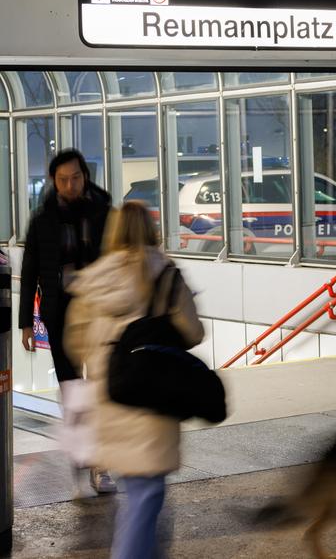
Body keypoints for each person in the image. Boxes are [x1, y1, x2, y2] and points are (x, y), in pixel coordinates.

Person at [64, 201, 204, 559]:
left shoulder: (93, 279)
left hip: (110, 398)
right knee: (145, 496)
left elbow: (75, 343)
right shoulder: (165, 274)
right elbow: (193, 332)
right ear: (150, 229)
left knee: (142, 494)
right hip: (152, 400)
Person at [19, 148, 117, 494]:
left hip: (99, 313)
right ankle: (84, 456)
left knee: (102, 389)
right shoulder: (43, 219)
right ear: (53, 180)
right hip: (60, 315)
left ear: (85, 176)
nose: (70, 185)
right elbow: (30, 270)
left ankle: (101, 463)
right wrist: (26, 323)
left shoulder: (103, 212)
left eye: (75, 177)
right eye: (63, 179)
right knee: (73, 391)